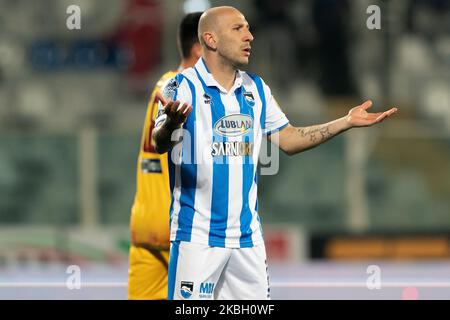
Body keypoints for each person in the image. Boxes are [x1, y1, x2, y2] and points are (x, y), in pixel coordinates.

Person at [153, 6, 397, 300]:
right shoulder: (181, 86)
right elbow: (159, 142)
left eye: (248, 28)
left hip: (247, 241)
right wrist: (172, 125)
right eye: (238, 29)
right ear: (211, 39)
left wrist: (345, 122)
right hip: (197, 238)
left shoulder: (256, 89)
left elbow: (290, 140)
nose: (250, 36)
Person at [128, 11, 203, 300]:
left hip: (146, 227)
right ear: (200, 48)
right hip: (181, 230)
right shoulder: (188, 91)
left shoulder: (162, 83)